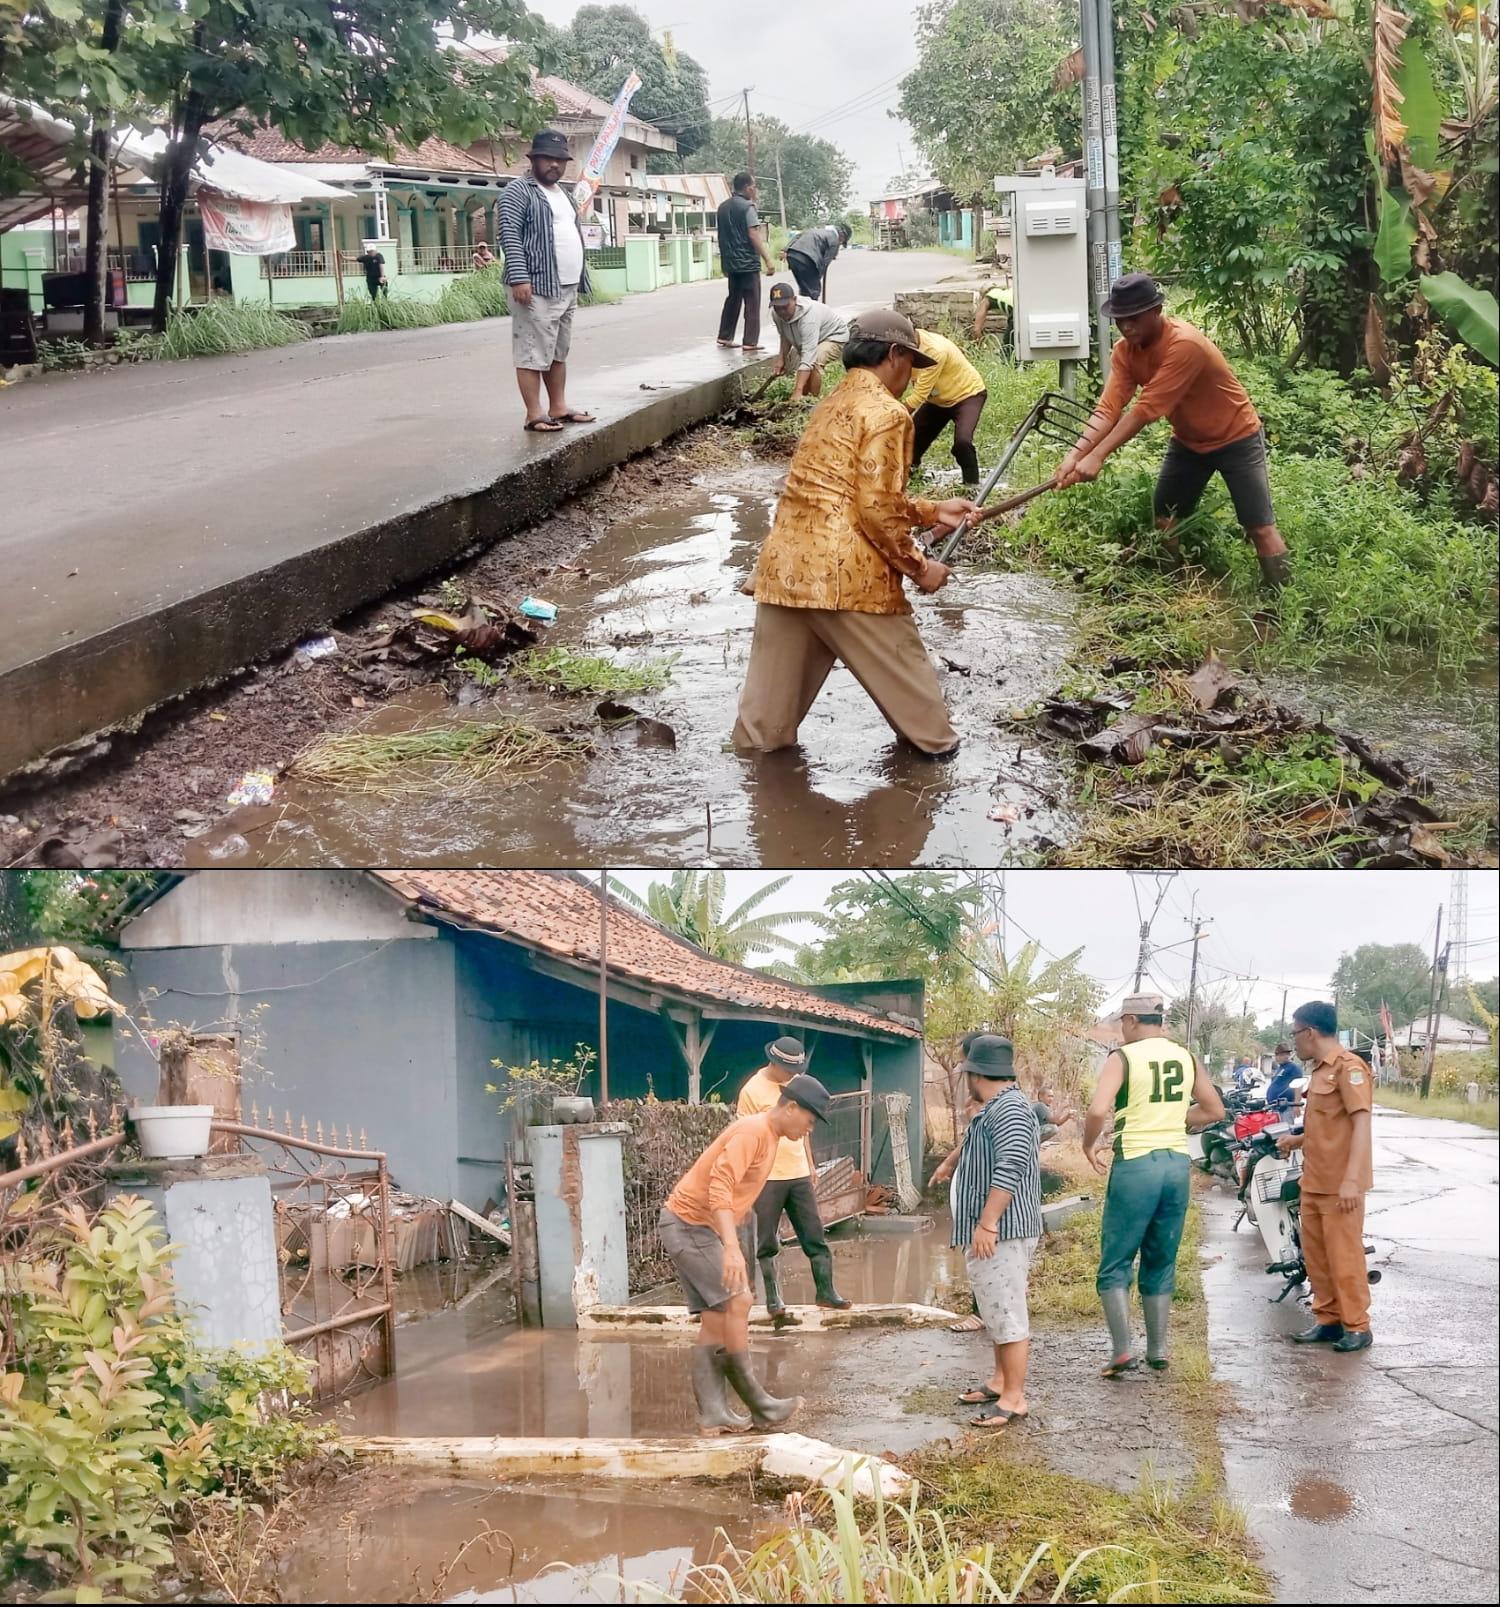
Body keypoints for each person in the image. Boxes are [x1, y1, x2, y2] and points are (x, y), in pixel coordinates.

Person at [732, 308, 980, 758]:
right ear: (895, 354)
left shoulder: (831, 402)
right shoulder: (888, 413)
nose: (910, 375)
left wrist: (931, 510)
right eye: (911, 363)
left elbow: (846, 491)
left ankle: (765, 796)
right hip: (848, 578)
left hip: (784, 571)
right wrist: (920, 567)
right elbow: (876, 509)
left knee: (761, 737)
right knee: (932, 737)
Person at [1053, 272, 1291, 590]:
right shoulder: (1125, 352)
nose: (1126, 327)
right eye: (1120, 319)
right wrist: (1074, 456)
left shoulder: (1184, 345)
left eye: (1134, 318)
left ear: (1156, 310)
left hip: (1237, 437)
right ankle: (1173, 589)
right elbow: (1108, 409)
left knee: (1258, 526)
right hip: (1189, 443)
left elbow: (1146, 409)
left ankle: (1282, 600)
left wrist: (1098, 456)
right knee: (1165, 520)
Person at [659, 1072, 832, 1432]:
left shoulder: (770, 1136)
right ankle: (761, 1405)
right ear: (791, 1107)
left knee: (716, 1315)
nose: (810, 1129)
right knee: (739, 1300)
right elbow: (720, 1187)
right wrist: (731, 1247)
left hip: (697, 1226)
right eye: (810, 1120)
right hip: (690, 1224)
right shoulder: (752, 1131)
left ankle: (714, 1414)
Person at [1082, 993, 1225, 1377]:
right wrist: (1173, 1117)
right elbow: (1214, 1109)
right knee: (1161, 1256)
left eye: (1122, 1023)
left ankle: (1122, 1351)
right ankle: (1158, 1349)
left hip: (1136, 1165)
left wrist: (1088, 1144)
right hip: (1176, 1167)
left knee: (1116, 1259)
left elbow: (1097, 1110)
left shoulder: (1123, 1058)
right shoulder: (1184, 1056)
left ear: (1131, 1021)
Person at [947, 1035, 1042, 1430]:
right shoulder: (998, 1107)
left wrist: (988, 1222)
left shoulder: (1010, 1109)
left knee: (1007, 1313)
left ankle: (1013, 1399)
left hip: (1003, 1231)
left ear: (975, 1073)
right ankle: (1001, 1381)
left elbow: (1012, 1165)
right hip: (995, 1229)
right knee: (996, 1311)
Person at [1275, 1001, 1375, 1352]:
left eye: (1295, 1034)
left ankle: (1357, 1326)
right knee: (1317, 1257)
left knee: (1345, 1258)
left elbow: (1361, 1123)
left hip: (1340, 1185)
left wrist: (1352, 1180)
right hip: (1314, 1180)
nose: (1294, 1042)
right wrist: (1297, 1139)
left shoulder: (1350, 1068)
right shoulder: (1319, 1071)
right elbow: (1327, 1125)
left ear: (1310, 1032)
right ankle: (1329, 1320)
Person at [737, 1037, 850, 1322]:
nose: (792, 1074)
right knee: (767, 1240)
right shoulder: (751, 1090)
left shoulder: (797, 1084)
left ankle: (826, 1292)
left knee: (814, 1234)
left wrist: (810, 1164)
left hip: (797, 1172)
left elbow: (805, 1130)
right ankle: (773, 1297)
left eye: (796, 1070)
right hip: (767, 1176)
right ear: (773, 1062)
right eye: (788, 1069)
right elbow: (744, 1136)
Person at [495, 130, 597, 435]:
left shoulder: (563, 194)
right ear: (534, 159)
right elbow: (509, 235)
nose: (554, 164)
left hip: (565, 285)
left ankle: (558, 407)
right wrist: (519, 277)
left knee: (557, 351)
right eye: (548, 158)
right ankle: (534, 413)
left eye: (560, 160)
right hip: (535, 285)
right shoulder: (518, 192)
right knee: (532, 351)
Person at [904, 326, 988, 491]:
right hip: (938, 400)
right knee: (911, 439)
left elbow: (919, 395)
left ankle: (972, 487)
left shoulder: (934, 351)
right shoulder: (901, 349)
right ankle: (910, 478)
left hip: (967, 395)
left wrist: (891, 417)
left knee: (962, 442)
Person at [716, 172, 775, 351]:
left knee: (733, 298)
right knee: (752, 302)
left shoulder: (722, 207)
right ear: (748, 187)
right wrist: (767, 259)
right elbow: (753, 234)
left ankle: (724, 336)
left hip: (731, 263)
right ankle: (750, 341)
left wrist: (724, 263)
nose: (755, 190)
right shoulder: (748, 207)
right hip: (748, 263)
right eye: (754, 187)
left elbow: (722, 237)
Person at [768, 283, 850, 400]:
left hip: (833, 337)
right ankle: (803, 396)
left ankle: (813, 401)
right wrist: (781, 360)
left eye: (785, 307)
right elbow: (785, 337)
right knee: (806, 371)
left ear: (794, 300)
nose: (781, 312)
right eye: (777, 307)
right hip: (812, 339)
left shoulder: (808, 318)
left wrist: (797, 390)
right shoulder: (776, 315)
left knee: (814, 361)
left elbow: (808, 356)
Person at [783, 223, 850, 300]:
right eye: (843, 241)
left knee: (804, 288)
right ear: (841, 234)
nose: (841, 243)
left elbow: (797, 236)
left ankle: (803, 304)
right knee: (813, 290)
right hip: (807, 258)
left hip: (792, 256)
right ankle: (811, 306)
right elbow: (825, 262)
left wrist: (785, 249)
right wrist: (817, 278)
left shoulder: (815, 230)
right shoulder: (835, 240)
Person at [1264, 1043, 1303, 1116]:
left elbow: (1298, 1086)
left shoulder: (1293, 1068)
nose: (1278, 1057)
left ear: (1287, 1055)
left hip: (1286, 1106)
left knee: (1285, 1123)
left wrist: (1296, 1105)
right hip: (1274, 1106)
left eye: (1281, 1055)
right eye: (1277, 1055)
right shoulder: (1279, 1068)